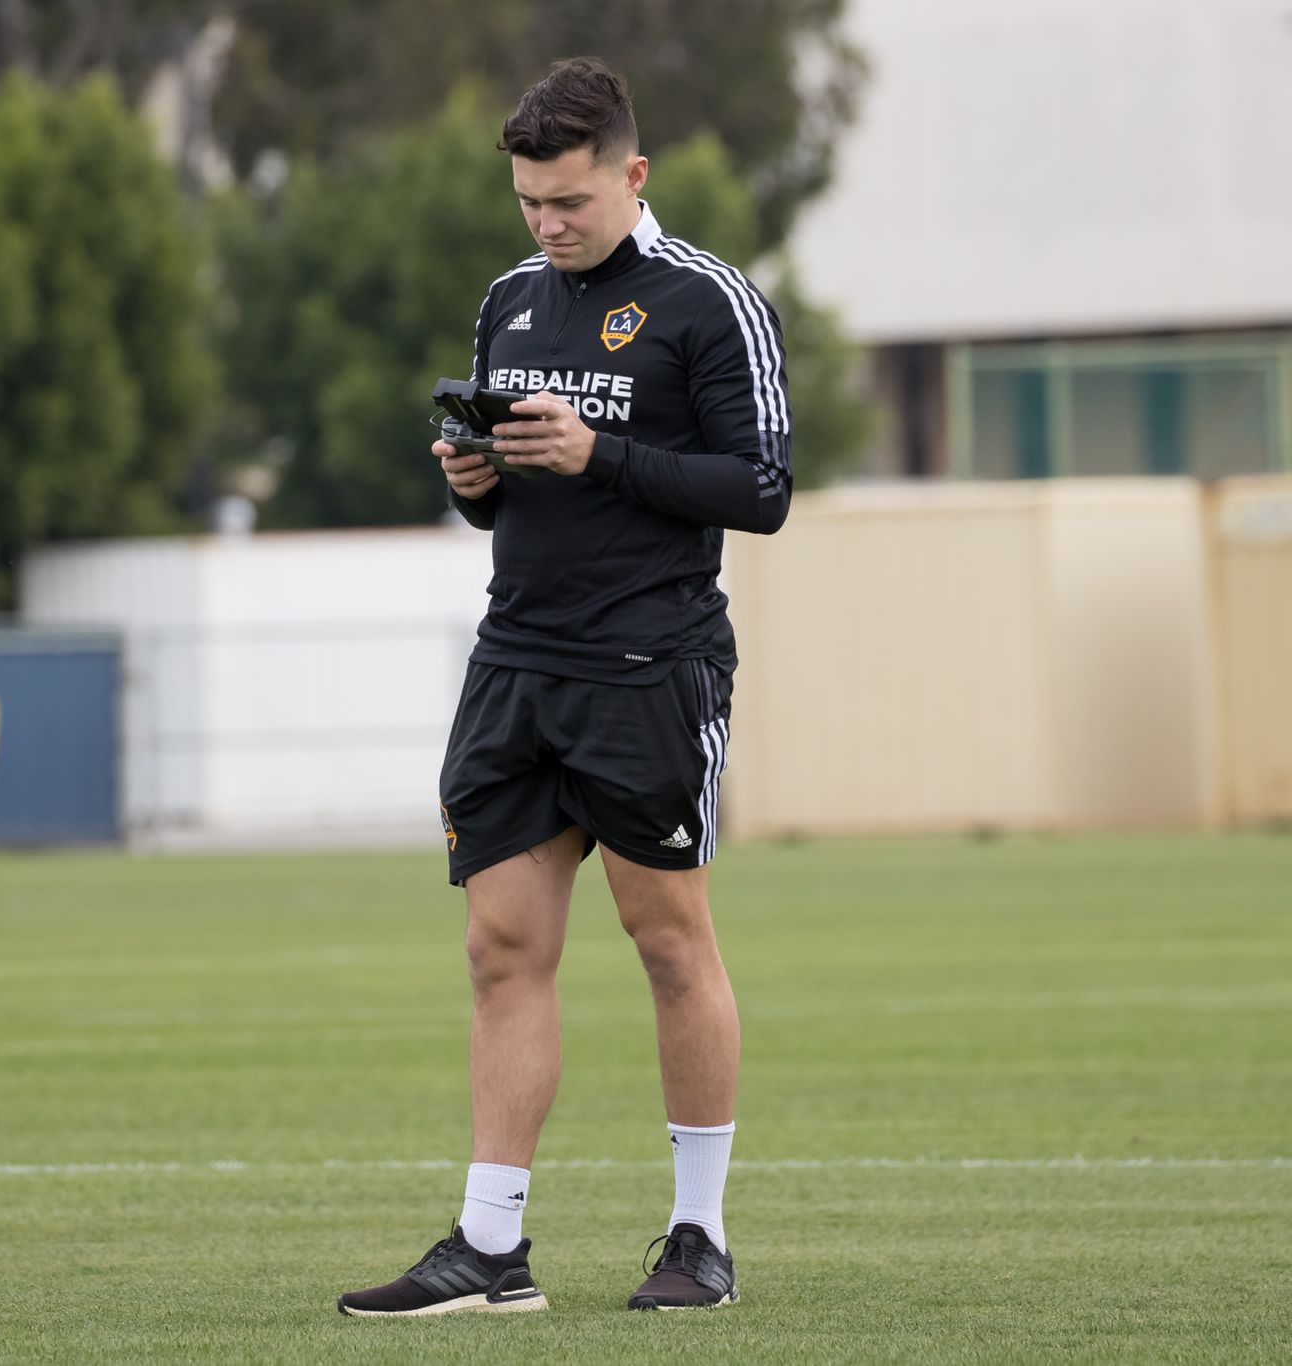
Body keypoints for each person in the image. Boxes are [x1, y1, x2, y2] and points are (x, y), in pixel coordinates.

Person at [337, 57, 791, 1317]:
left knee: (666, 943)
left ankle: (696, 1239)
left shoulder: (709, 303)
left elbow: (760, 491)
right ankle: (491, 1248)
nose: (547, 223)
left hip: (648, 667)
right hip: (515, 663)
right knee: (499, 949)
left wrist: (599, 452)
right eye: (530, 201)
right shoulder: (510, 300)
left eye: (570, 200)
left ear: (631, 177)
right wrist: (470, 479)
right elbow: (509, 496)